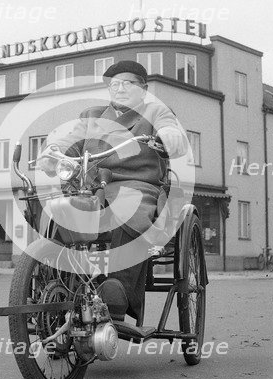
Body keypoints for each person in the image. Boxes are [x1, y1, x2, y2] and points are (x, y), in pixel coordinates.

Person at [36, 60, 188, 323]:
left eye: (128, 83)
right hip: (91, 185)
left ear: (144, 88)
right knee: (58, 214)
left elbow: (171, 131)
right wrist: (53, 153)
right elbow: (69, 141)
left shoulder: (155, 111)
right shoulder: (92, 115)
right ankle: (55, 288)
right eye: (114, 84)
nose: (120, 89)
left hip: (137, 185)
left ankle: (117, 295)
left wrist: (169, 137)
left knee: (128, 214)